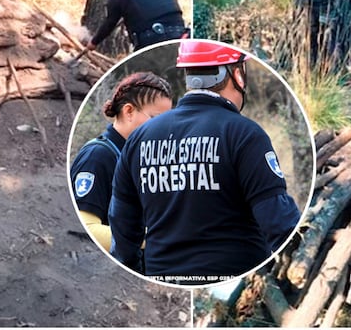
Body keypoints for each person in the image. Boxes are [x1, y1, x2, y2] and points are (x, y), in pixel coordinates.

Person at [108, 40, 301, 285]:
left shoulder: (138, 139)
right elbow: (278, 221)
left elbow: (122, 225)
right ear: (237, 75)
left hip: (163, 280)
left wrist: (139, 278)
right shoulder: (244, 134)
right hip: (235, 282)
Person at [70, 72, 173, 251]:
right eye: (157, 119)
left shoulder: (141, 157)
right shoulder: (98, 157)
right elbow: (86, 229)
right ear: (129, 111)